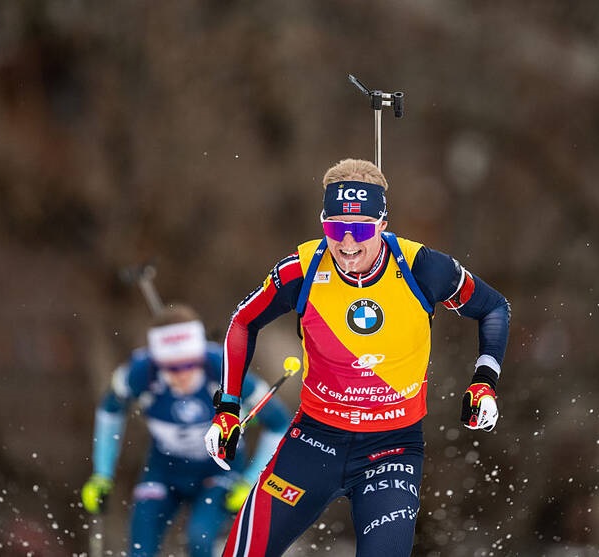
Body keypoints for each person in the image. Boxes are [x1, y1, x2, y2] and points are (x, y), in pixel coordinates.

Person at [204, 159, 511, 557]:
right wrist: (227, 407)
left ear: (382, 224)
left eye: (362, 229)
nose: (348, 244)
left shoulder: (422, 268)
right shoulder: (303, 269)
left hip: (392, 448)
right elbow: (242, 322)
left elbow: (494, 308)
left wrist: (484, 382)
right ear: (323, 223)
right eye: (335, 229)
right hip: (315, 440)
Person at [82, 303, 291, 557]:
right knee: (140, 546)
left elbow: (280, 424)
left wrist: (250, 481)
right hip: (165, 468)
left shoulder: (224, 368)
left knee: (199, 539)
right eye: (171, 367)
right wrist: (102, 474)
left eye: (189, 364)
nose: (182, 375)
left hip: (219, 470)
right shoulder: (141, 373)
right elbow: (109, 411)